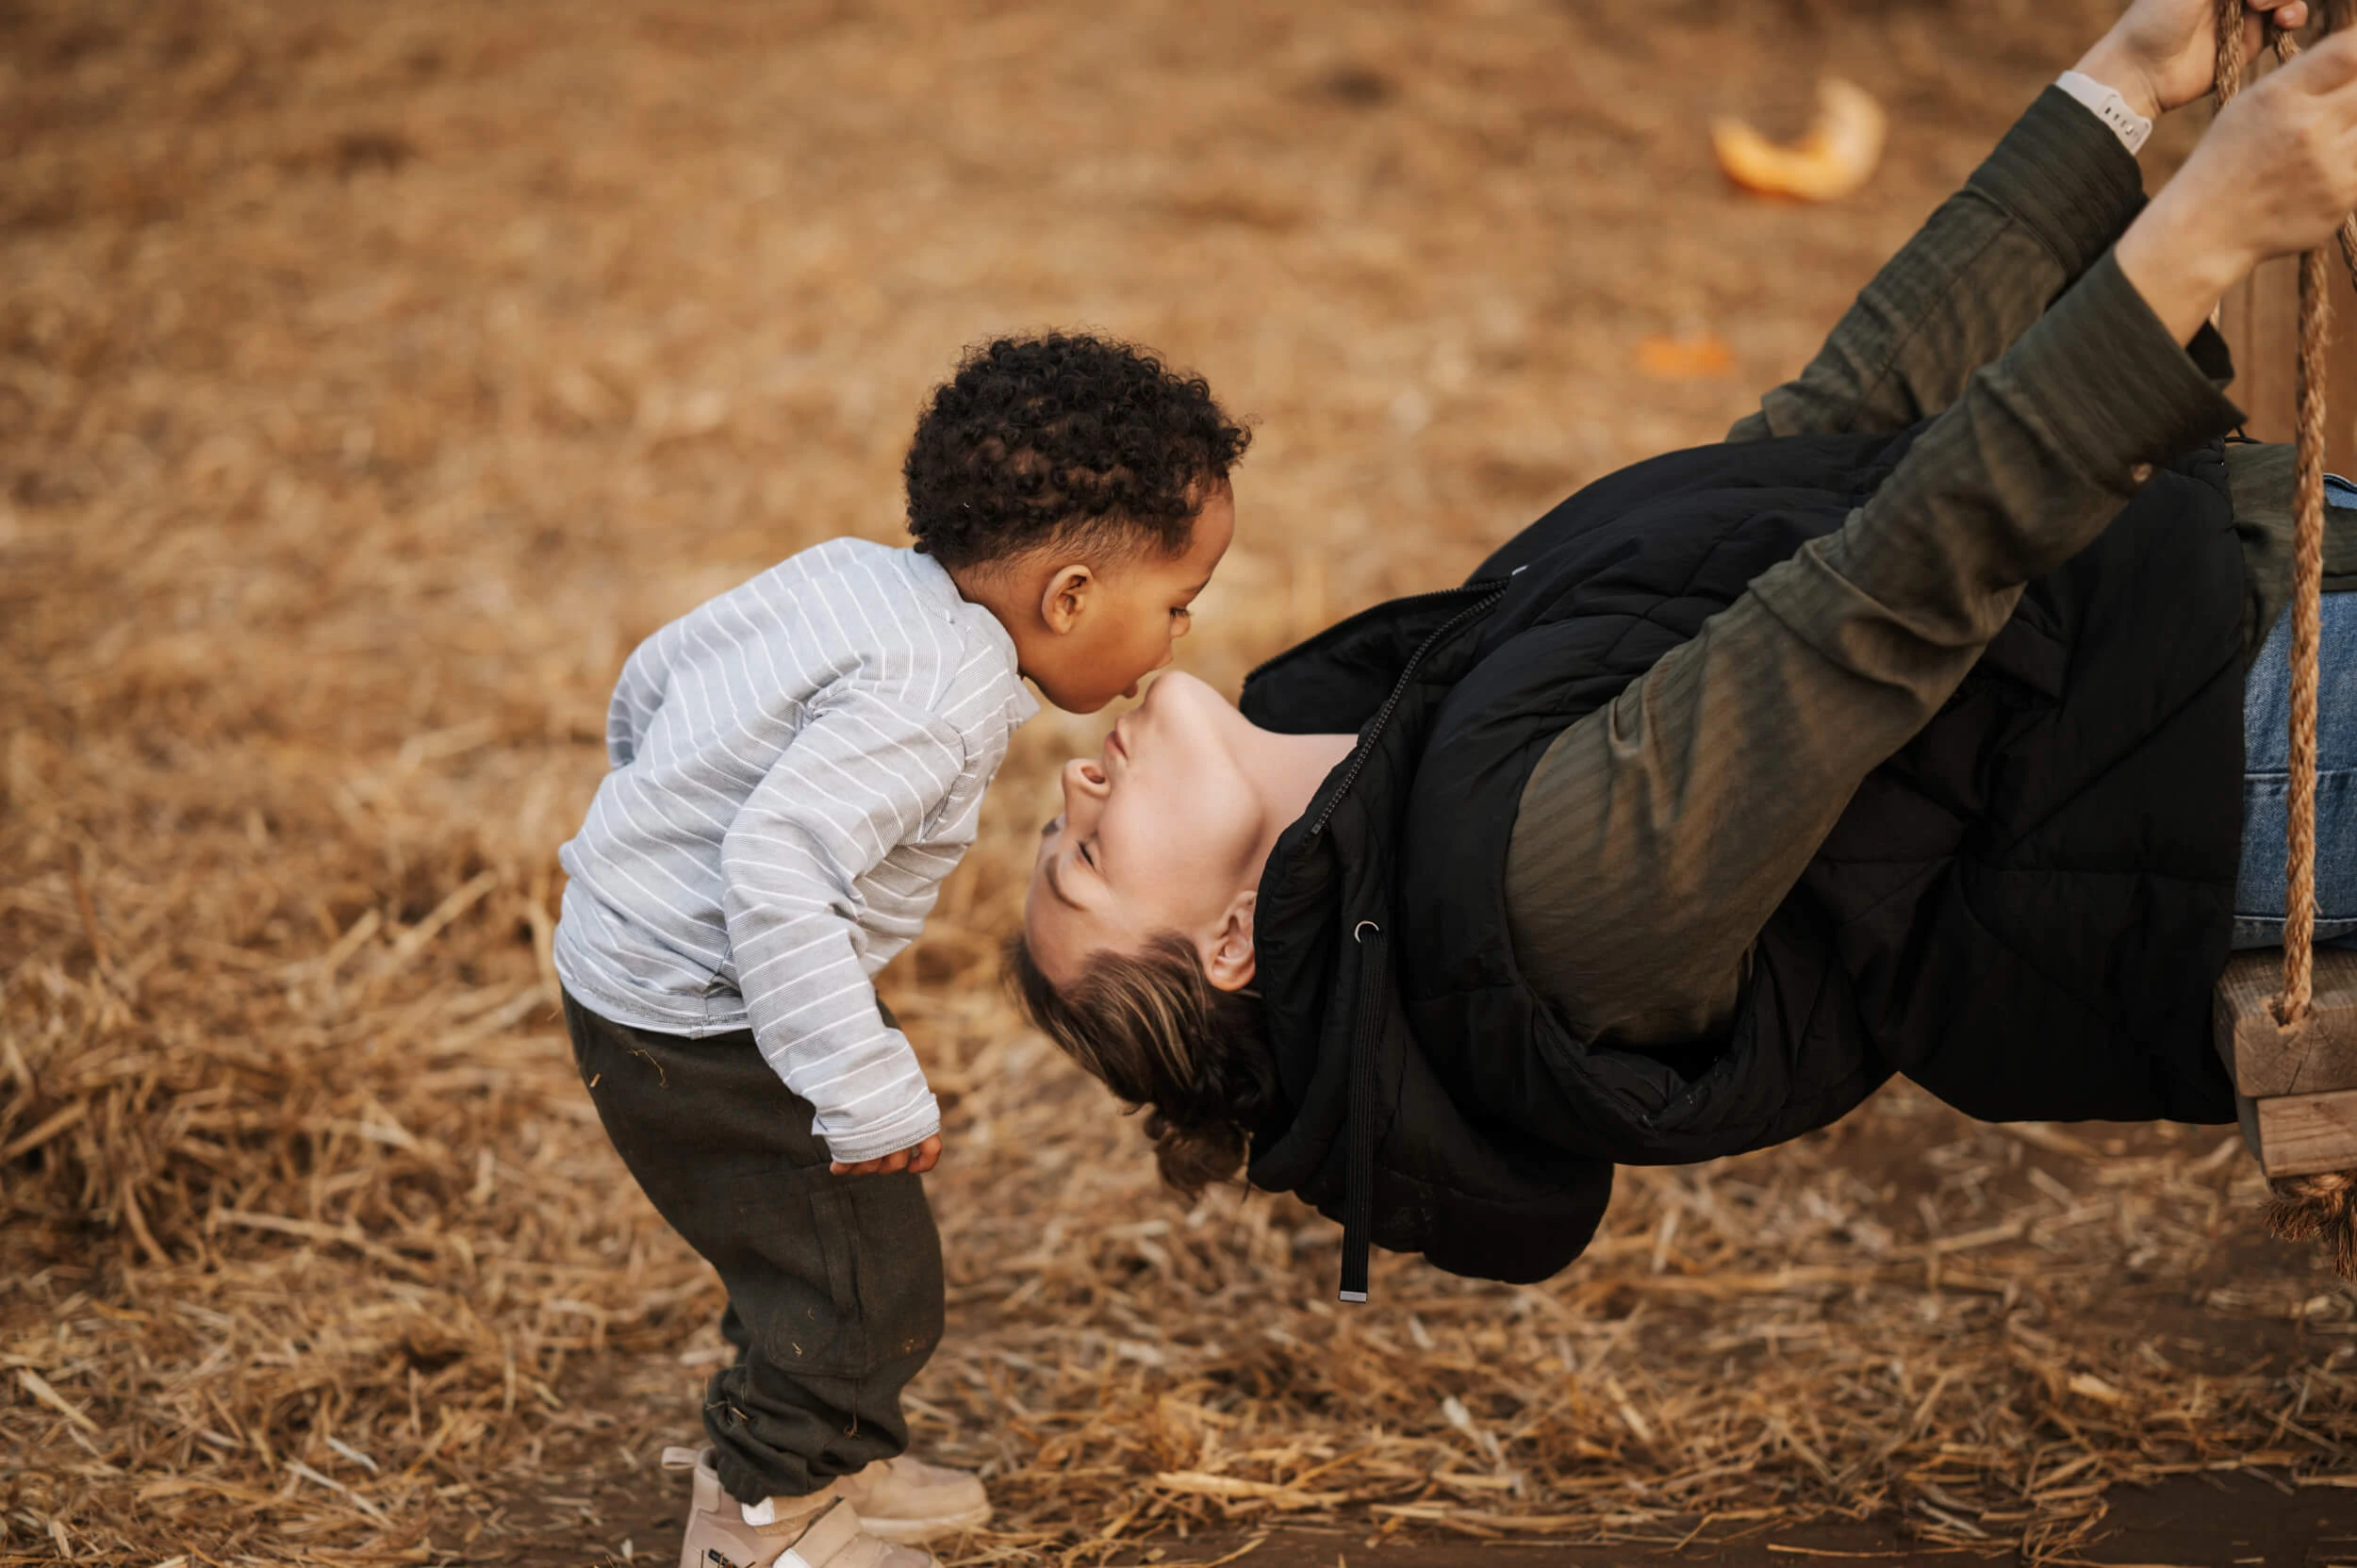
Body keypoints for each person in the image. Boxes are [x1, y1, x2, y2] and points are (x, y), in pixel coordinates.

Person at [1009, 0, 2357, 1302]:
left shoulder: (1429, 738)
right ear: (1234, 940)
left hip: (2224, 608)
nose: (1070, 795)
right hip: (2224, 758)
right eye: (1084, 864)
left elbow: (1810, 447)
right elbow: (1890, 592)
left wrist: (2126, 77)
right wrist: (2208, 225)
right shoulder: (1536, 906)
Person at [553, 334, 1247, 1568]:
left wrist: (636, 818)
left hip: (634, 960)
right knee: (864, 1276)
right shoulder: (943, 693)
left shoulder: (857, 577)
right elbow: (774, 870)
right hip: (696, 1009)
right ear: (1072, 595)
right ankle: (765, 1518)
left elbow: (656, 676)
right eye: (1178, 603)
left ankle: (834, 1453)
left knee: (810, 1246)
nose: (1179, 639)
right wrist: (863, 1082)